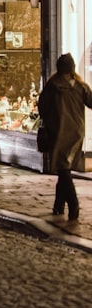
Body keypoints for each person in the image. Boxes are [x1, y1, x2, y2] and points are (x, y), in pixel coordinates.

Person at [37, 52, 92, 221]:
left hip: (58, 132)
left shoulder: (52, 87)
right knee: (64, 168)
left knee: (64, 169)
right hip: (76, 133)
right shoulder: (81, 87)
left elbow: (42, 108)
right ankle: (59, 205)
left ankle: (73, 205)